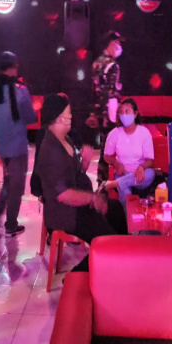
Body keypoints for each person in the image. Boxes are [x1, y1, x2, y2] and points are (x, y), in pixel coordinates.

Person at [35, 94, 120, 272]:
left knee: (116, 209)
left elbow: (74, 174)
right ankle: (75, 277)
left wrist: (85, 162)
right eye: (68, 113)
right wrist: (92, 199)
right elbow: (63, 195)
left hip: (78, 204)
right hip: (66, 213)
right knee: (107, 241)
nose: (71, 116)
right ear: (58, 118)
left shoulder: (66, 140)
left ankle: (123, 259)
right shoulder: (51, 151)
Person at [0, 52, 37, 236]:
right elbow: (30, 117)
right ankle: (10, 225)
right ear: (14, 67)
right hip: (17, 145)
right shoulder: (20, 90)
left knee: (9, 180)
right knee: (16, 186)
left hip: (1, 144)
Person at [102, 98, 155, 206]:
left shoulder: (144, 133)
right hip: (122, 173)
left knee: (150, 174)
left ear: (135, 114)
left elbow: (150, 161)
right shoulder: (115, 133)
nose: (124, 115)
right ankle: (128, 217)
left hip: (140, 174)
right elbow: (106, 156)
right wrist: (116, 163)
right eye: (121, 112)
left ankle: (113, 184)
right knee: (125, 192)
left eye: (127, 111)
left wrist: (142, 167)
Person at [90, 31, 125, 185]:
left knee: (104, 147)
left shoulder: (96, 62)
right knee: (110, 149)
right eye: (118, 43)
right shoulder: (113, 65)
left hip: (98, 111)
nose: (119, 47)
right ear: (111, 44)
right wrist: (115, 118)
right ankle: (106, 184)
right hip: (109, 114)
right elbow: (111, 94)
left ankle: (101, 182)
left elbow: (94, 90)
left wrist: (94, 112)